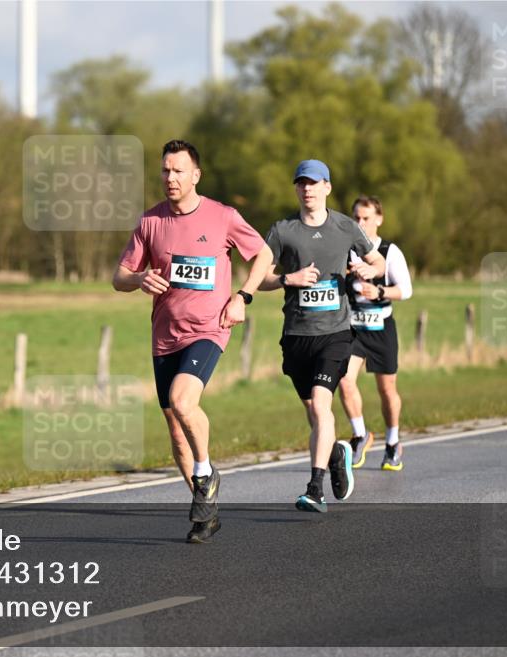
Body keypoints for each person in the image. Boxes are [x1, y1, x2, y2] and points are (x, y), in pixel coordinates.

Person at [113, 139, 273, 543]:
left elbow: (264, 256)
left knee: (185, 402)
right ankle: (206, 511)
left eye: (178, 171)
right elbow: (119, 276)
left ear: (195, 175)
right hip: (164, 335)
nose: (170, 178)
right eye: (165, 170)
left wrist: (243, 297)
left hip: (209, 328)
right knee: (175, 428)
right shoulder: (150, 223)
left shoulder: (222, 216)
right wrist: (138, 278)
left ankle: (206, 473)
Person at [258, 159, 385, 512]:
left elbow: (380, 263)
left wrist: (366, 268)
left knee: (322, 402)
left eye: (314, 183)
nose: (307, 189)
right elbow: (261, 276)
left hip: (335, 333)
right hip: (297, 334)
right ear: (296, 188)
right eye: (301, 183)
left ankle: (315, 488)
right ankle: (336, 454)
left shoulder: (345, 227)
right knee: (314, 412)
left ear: (327, 187)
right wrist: (288, 279)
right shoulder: (282, 231)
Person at [338, 196, 413, 471]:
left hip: (381, 327)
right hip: (353, 327)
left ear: (378, 219)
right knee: (344, 380)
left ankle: (393, 442)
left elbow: (406, 290)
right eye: (356, 218)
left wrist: (379, 291)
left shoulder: (389, 251)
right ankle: (361, 435)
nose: (360, 223)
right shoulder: (346, 249)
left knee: (386, 389)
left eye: (366, 218)